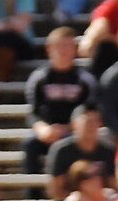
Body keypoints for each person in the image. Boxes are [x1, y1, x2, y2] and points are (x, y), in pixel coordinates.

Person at [23, 27, 97, 177]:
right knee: (30, 144)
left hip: (75, 133)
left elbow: (91, 112)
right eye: (59, 46)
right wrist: (43, 129)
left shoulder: (85, 79)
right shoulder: (39, 78)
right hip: (48, 132)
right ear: (49, 49)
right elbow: (33, 112)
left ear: (75, 49)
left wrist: (68, 128)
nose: (63, 51)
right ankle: (33, 195)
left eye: (68, 46)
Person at [45, 105, 114, 201]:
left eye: (96, 121)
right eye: (88, 121)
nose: (92, 126)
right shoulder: (62, 151)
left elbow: (112, 185)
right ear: (74, 124)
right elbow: (56, 190)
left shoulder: (108, 152)